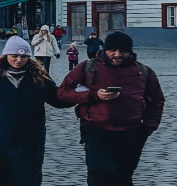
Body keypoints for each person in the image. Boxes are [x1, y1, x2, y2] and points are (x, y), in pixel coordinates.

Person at [56, 31, 164, 186]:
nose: (117, 54)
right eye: (113, 50)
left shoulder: (144, 72)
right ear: (105, 50)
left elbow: (157, 100)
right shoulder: (88, 67)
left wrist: (148, 127)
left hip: (131, 131)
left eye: (123, 51)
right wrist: (93, 96)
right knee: (99, 173)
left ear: (130, 52)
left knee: (123, 176)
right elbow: (63, 92)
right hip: (96, 129)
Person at [0, 36, 64, 186]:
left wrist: (80, 93)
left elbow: (57, 98)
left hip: (29, 139)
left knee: (28, 177)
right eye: (14, 56)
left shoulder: (38, 77)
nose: (19, 60)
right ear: (6, 56)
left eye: (23, 56)